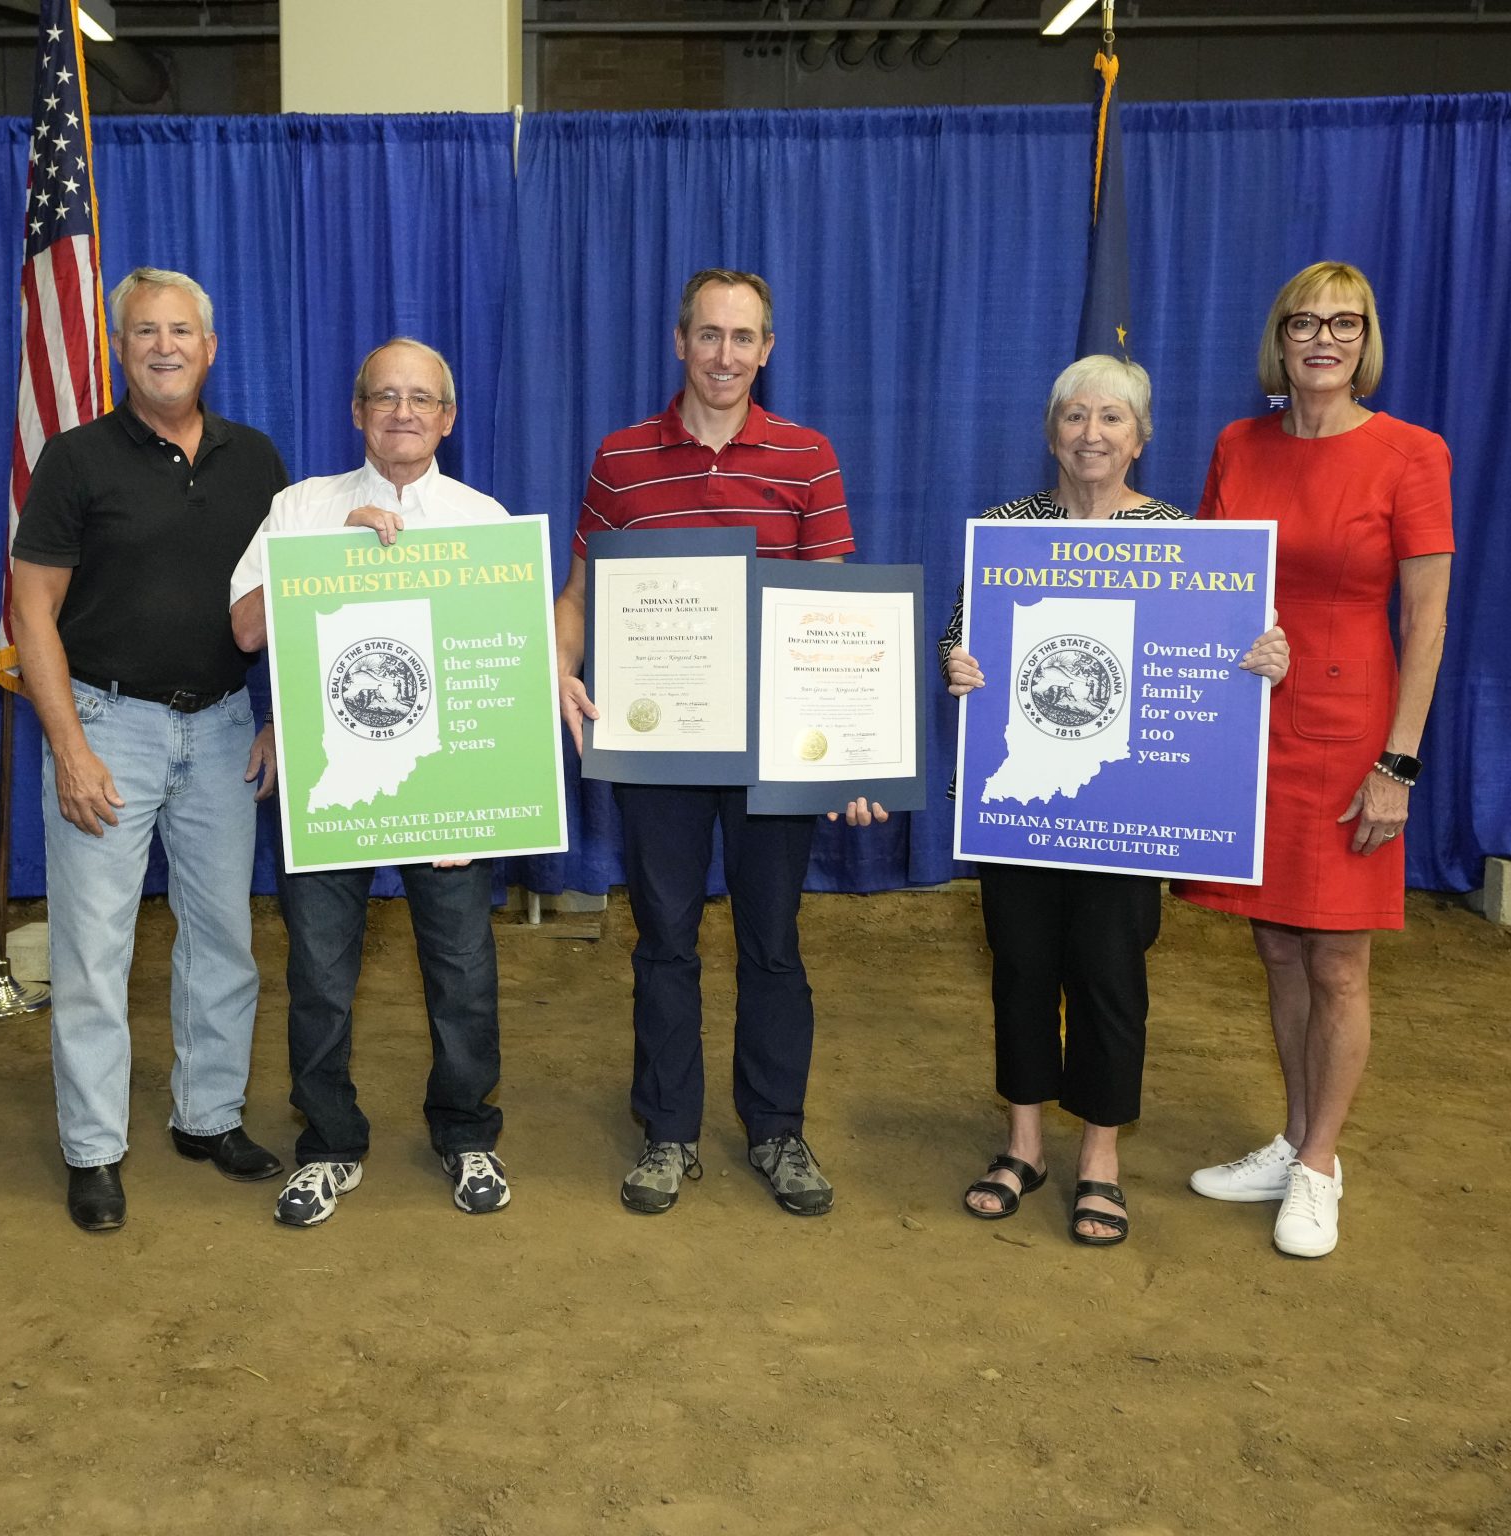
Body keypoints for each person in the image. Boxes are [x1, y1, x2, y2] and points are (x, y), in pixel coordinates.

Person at [553, 269, 883, 1219]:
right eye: (709, 335)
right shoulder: (621, 459)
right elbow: (580, 595)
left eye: (743, 339)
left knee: (772, 942)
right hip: (657, 748)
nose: (725, 355)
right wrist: (558, 667)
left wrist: (849, 753)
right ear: (679, 341)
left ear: (767, 350)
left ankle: (777, 1127)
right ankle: (667, 1131)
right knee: (664, 939)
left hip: (773, 750)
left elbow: (836, 612)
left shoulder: (807, 456)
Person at [940, 355, 1289, 1245]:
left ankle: (1100, 1154)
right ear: (1050, 430)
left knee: (1108, 972)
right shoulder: (1007, 528)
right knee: (1018, 965)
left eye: (1111, 418)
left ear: (1141, 437)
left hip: (1130, 811)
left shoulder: (1181, 534)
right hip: (1023, 801)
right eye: (1074, 417)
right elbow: (961, 631)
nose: (1090, 433)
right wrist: (959, 662)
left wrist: (1260, 660)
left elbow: (1217, 650)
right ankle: (1024, 1145)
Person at [1177, 262, 1453, 1259]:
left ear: (1367, 339)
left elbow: (1425, 623)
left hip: (1355, 736)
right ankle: (1295, 1134)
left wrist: (1401, 763)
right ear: (1280, 338)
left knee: (1339, 958)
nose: (1324, 340)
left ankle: (1321, 1166)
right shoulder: (1237, 444)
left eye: (1346, 323)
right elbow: (1209, 588)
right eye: (1305, 322)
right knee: (1279, 946)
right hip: (1255, 731)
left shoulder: (1413, 454)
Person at [9, 267, 288, 1234]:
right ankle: (94, 1149)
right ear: (119, 350)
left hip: (219, 727)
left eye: (182, 332)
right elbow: (30, 608)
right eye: (144, 333)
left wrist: (277, 719)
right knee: (94, 953)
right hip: (107, 723)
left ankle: (208, 1118)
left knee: (225, 940)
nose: (164, 346)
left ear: (211, 349)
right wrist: (70, 746)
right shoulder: (77, 459)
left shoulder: (257, 460)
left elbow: (286, 604)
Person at [230, 338, 511, 1227]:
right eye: (384, 396)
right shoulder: (301, 507)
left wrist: (487, 782)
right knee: (317, 970)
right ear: (356, 412)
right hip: (329, 779)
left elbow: (496, 667)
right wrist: (318, 559)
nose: (402, 412)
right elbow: (243, 631)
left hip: (446, 787)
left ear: (448, 418)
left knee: (463, 967)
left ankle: (466, 1129)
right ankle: (329, 1143)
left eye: (422, 399)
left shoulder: (483, 518)